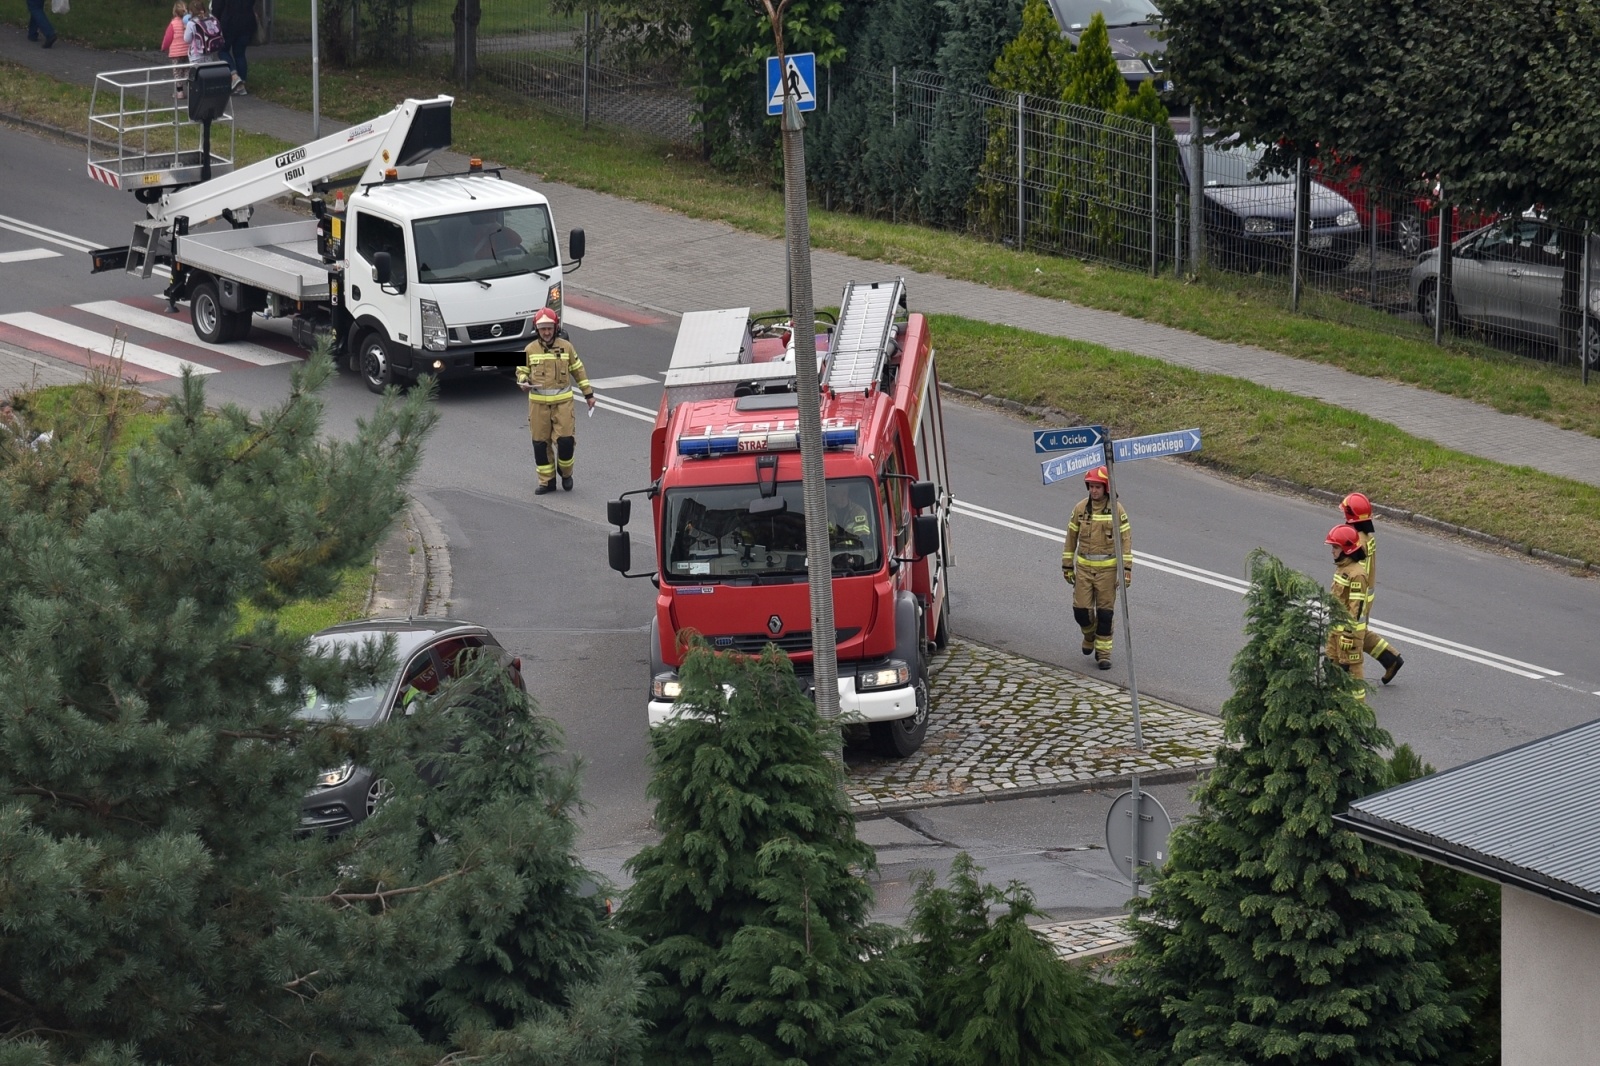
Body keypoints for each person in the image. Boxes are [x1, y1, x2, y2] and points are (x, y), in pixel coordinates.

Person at [516, 308, 594, 495]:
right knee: (540, 445)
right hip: (538, 406)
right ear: (537, 329)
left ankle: (566, 473)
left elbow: (578, 370)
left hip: (563, 404)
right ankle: (547, 482)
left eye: (550, 328)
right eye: (543, 329)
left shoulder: (566, 347)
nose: (547, 332)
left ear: (556, 327)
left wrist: (588, 395)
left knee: (566, 442)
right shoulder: (529, 349)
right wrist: (523, 381)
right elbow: (520, 370)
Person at [1061, 465, 1131, 670]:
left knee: (1105, 615)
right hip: (1083, 569)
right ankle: (1089, 634)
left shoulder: (1117, 510)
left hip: (1107, 573)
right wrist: (1067, 565)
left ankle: (1104, 654)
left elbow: (1125, 540)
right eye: (1091, 486)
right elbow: (1070, 538)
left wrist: (1126, 569)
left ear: (1106, 488)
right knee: (1080, 611)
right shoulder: (1080, 509)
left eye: (1097, 487)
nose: (1093, 490)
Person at [1341, 491, 1404, 684]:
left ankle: (1342, 675)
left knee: (1347, 636)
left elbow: (1355, 571)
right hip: (1363, 597)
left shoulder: (1357, 541)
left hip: (1355, 597)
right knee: (1360, 632)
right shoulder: (1366, 537)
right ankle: (1390, 659)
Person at [1325, 523, 1371, 698]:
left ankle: (1358, 712)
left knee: (1352, 672)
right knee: (1331, 667)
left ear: (1347, 549)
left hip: (1348, 634)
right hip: (1335, 629)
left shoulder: (1357, 574)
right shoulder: (1343, 568)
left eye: (1335, 547)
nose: (1332, 551)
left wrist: (1348, 634)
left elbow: (1356, 608)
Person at [213, 0, 256, 96]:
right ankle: (242, 85)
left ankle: (234, 76)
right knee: (240, 54)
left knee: (222, 51)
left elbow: (217, 7)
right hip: (247, 22)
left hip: (229, 23)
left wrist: (216, 21)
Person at [826, 480, 872, 546]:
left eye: (833, 492)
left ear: (844, 493)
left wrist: (838, 544)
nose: (829, 495)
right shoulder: (826, 512)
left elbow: (861, 539)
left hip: (855, 553)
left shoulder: (858, 512)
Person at [159, 1, 189, 99]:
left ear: (175, 12)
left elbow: (168, 38)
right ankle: (191, 89)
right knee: (187, 70)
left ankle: (180, 93)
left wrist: (163, 47)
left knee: (177, 73)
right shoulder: (188, 23)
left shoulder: (173, 24)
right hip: (187, 51)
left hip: (176, 53)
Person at [183, 0, 223, 67]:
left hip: (195, 55)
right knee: (208, 72)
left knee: (197, 74)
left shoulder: (191, 23)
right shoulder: (211, 18)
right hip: (209, 52)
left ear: (191, 11)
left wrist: (185, 29)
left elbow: (187, 39)